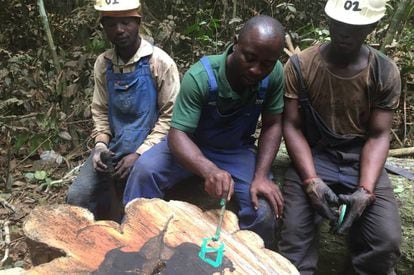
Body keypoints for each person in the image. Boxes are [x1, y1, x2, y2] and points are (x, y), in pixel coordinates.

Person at [123, 15, 285, 248]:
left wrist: (261, 176)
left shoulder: (275, 74)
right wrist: (209, 170)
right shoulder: (201, 76)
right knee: (144, 172)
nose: (256, 69)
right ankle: (134, 245)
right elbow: (177, 134)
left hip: (235, 150)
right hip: (191, 144)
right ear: (235, 43)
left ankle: (247, 262)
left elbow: (272, 123)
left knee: (263, 211)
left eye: (267, 64)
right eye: (249, 58)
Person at [278, 0, 402, 274]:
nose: (344, 32)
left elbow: (379, 135)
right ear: (329, 20)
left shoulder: (384, 72)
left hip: (361, 157)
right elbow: (293, 126)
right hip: (315, 153)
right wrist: (311, 181)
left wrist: (366, 191)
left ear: (372, 27)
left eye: (354, 27)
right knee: (294, 242)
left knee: (385, 241)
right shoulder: (300, 66)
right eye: (339, 24)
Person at [67, 0, 180, 221]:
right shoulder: (103, 63)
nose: (119, 30)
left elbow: (171, 116)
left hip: (152, 147)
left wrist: (139, 153)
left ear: (137, 22)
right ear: (104, 27)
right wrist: (100, 144)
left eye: (126, 23)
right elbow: (100, 110)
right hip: (115, 146)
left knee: (134, 211)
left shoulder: (159, 62)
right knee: (78, 196)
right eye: (111, 24)